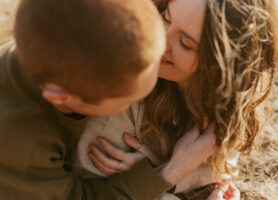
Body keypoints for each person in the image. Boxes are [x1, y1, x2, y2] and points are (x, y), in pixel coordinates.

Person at [0, 0, 219, 199]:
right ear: (62, 97)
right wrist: (170, 172)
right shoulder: (22, 148)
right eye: (127, 101)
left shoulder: (57, 43)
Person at [84, 0, 278, 199]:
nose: (159, 40)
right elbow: (85, 190)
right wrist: (165, 174)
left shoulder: (231, 101)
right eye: (166, 17)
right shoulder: (124, 92)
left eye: (185, 43)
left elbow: (217, 173)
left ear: (221, 66)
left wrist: (163, 171)